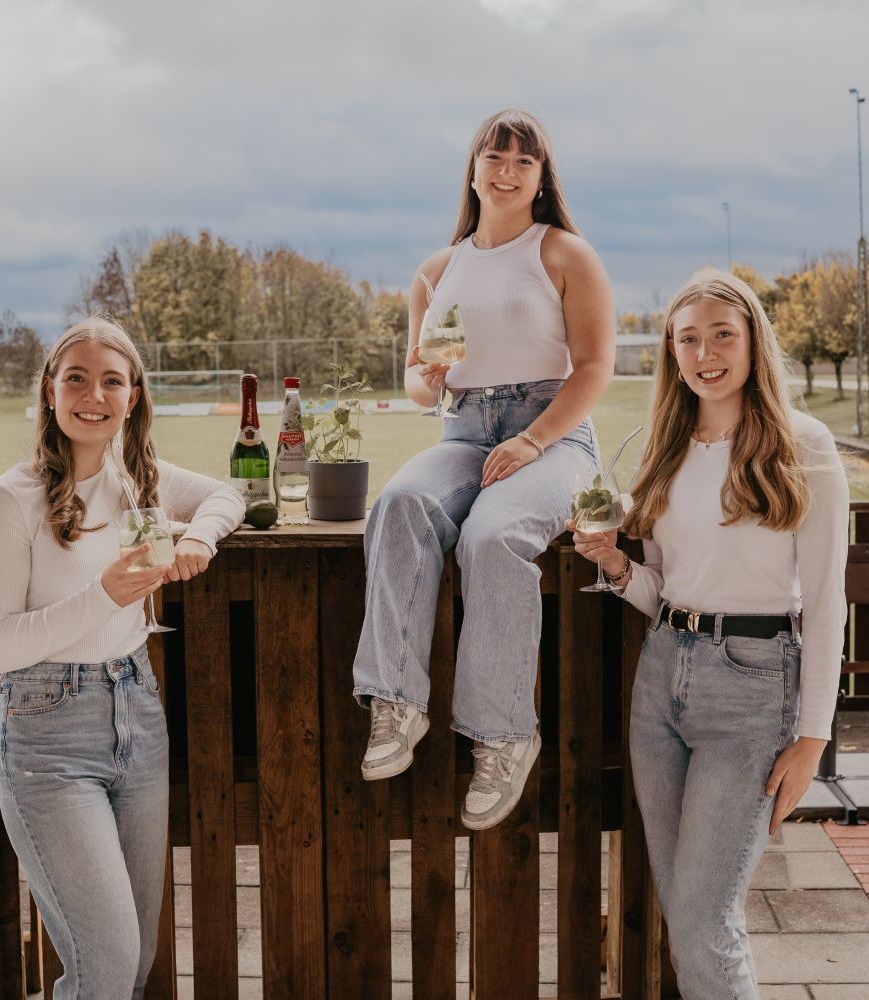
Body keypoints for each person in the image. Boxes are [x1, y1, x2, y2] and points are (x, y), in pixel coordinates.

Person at [572, 269, 849, 999]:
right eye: (688, 339)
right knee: (687, 911)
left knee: (703, 918)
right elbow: (666, 590)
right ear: (672, 351)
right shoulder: (666, 449)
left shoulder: (804, 445)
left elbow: (827, 602)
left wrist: (813, 738)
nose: (706, 354)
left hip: (754, 688)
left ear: (755, 341)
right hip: (662, 677)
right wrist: (615, 565)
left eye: (723, 335)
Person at [353, 108, 615, 830]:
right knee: (400, 503)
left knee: (493, 537)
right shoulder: (436, 271)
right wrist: (428, 378)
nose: (506, 171)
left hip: (554, 437)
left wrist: (533, 440)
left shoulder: (564, 253)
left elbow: (595, 367)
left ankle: (503, 737)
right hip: (464, 431)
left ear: (541, 177)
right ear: (472, 170)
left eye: (523, 161)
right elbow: (418, 383)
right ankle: (397, 702)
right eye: (494, 158)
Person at [0, 317, 244, 999]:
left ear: (133, 395)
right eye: (77, 379)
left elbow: (227, 494)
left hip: (137, 715)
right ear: (50, 390)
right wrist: (105, 596)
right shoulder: (9, 499)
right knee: (109, 964)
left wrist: (199, 540)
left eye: (111, 381)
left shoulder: (138, 480)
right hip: (46, 734)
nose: (94, 395)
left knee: (134, 960)